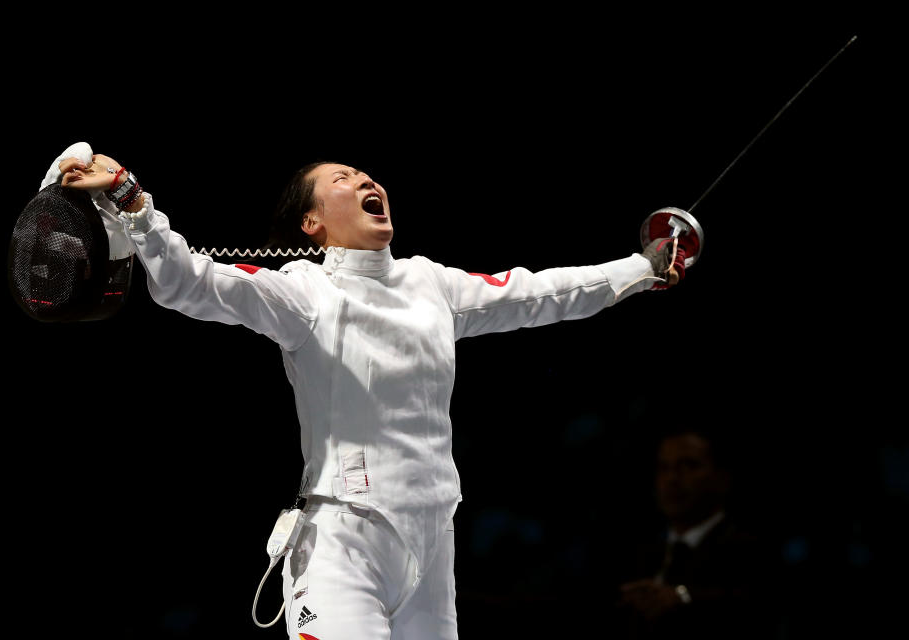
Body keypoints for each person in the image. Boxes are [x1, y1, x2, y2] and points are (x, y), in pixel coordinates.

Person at [49, 143, 690, 640]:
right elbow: (189, 283)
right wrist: (134, 202)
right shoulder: (303, 291)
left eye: (367, 175)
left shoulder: (429, 284)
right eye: (342, 180)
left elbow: (540, 293)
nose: (365, 182)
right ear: (311, 221)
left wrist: (643, 269)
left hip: (433, 546)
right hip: (342, 546)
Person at [614, 427, 776, 639]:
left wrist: (682, 598)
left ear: (722, 477)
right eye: (664, 467)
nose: (672, 478)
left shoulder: (750, 549)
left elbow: (753, 606)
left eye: (688, 465)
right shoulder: (639, 551)